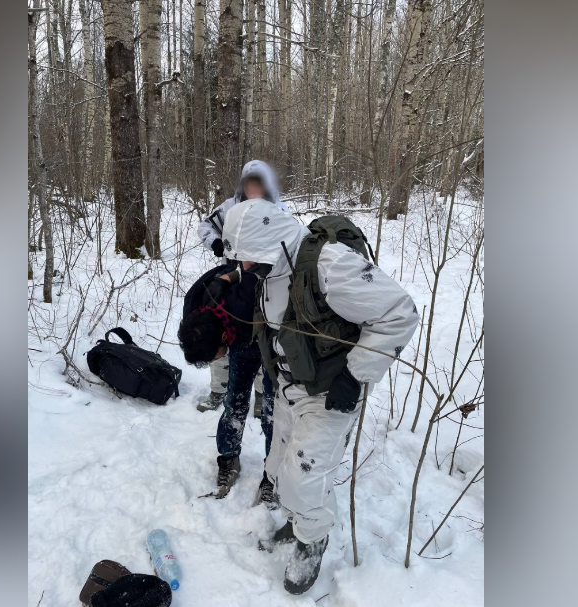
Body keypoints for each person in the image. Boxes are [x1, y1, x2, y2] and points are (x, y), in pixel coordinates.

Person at [220, 200, 419, 595]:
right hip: (290, 385)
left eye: (249, 259)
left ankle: (313, 539)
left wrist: (356, 374)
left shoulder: (330, 265)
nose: (244, 269)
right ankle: (298, 525)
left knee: (303, 479)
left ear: (272, 244)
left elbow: (400, 312)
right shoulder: (268, 266)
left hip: (331, 391)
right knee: (277, 469)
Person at [194, 160, 289, 414]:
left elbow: (290, 243)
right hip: (230, 280)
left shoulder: (279, 210)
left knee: (259, 340)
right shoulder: (230, 207)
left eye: (259, 183)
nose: (254, 189)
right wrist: (215, 243)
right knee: (220, 335)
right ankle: (218, 391)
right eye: (249, 183)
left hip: (266, 284)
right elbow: (205, 226)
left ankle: (260, 396)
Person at [177, 263, 276, 504]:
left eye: (213, 355)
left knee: (273, 411)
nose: (214, 360)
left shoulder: (244, 303)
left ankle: (273, 475)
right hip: (239, 337)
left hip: (271, 335)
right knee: (235, 402)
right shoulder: (195, 309)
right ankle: (229, 458)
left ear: (223, 338)